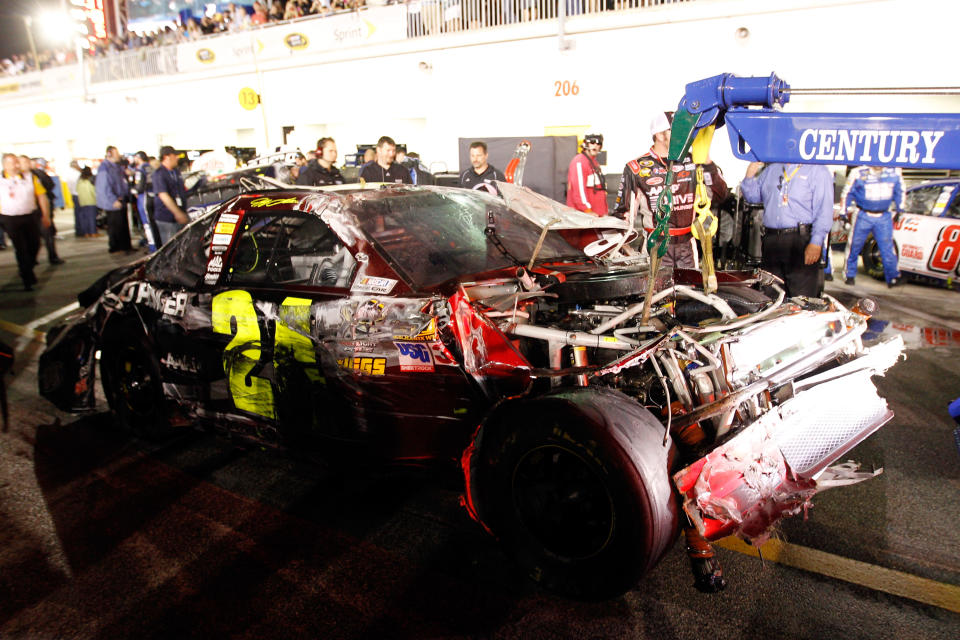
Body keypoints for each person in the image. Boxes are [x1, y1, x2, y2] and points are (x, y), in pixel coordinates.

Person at [615, 112, 728, 268]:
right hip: (655, 245)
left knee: (689, 291)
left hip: (688, 245)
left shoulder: (694, 161)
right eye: (676, 131)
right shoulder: (636, 168)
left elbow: (720, 195)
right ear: (660, 135)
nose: (683, 135)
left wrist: (707, 161)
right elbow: (623, 213)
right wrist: (623, 248)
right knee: (656, 291)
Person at [741, 161, 834, 297]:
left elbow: (824, 210)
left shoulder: (817, 170)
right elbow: (753, 197)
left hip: (800, 241)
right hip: (771, 240)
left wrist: (816, 242)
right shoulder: (772, 169)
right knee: (770, 295)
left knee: (801, 297)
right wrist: (749, 175)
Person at [842, 165, 904, 287]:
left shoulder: (894, 171)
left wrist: (900, 209)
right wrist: (843, 213)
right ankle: (849, 275)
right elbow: (847, 192)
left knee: (887, 248)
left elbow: (900, 190)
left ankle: (892, 277)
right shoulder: (858, 172)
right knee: (854, 246)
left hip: (884, 215)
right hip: (862, 214)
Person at [0, 152, 51, 290]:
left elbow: (41, 196)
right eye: (12, 163)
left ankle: (28, 267)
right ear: (5, 165)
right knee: (20, 248)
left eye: (17, 162)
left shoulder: (30, 177)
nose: (16, 165)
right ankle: (27, 277)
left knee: (35, 244)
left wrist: (46, 215)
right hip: (9, 218)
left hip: (29, 216)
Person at [95, 145, 132, 253]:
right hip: (113, 202)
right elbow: (104, 186)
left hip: (120, 199)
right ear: (109, 154)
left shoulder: (116, 166)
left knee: (123, 225)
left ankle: (125, 246)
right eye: (116, 153)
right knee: (116, 225)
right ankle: (116, 247)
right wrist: (113, 200)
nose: (119, 156)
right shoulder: (105, 168)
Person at [152, 146, 190, 246]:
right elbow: (163, 195)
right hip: (167, 218)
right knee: (171, 247)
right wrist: (178, 213)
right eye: (175, 155)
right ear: (167, 157)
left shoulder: (175, 172)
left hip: (179, 215)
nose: (177, 158)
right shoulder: (159, 174)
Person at [566, 133, 607, 216]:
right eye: (592, 142)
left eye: (598, 143)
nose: (595, 146)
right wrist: (587, 210)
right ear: (585, 143)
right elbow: (579, 191)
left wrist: (604, 212)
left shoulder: (594, 163)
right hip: (586, 217)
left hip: (598, 216)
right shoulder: (579, 162)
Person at [75, 166, 99, 237]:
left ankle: (86, 233)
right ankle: (93, 232)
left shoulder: (80, 181)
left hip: (82, 201)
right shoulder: (91, 180)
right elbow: (95, 191)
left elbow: (77, 190)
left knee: (84, 218)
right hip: (91, 200)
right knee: (92, 217)